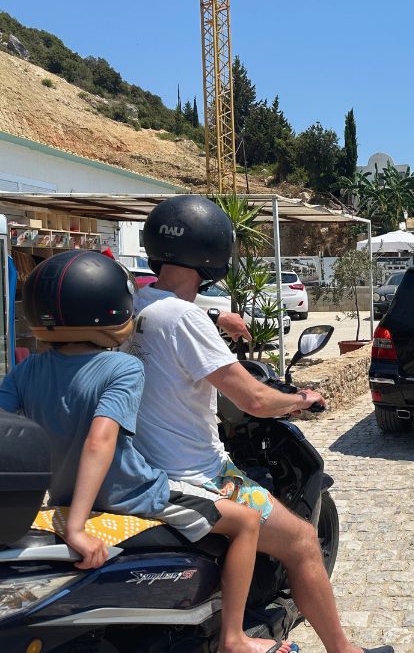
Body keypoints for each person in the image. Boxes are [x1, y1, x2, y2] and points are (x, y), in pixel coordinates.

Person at [126, 195, 392, 653]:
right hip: (198, 476)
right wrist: (299, 399)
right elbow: (251, 398)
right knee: (304, 540)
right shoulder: (186, 318)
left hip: (145, 469)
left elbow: (177, 322)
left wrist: (217, 315)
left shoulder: (138, 306)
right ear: (213, 251)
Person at [0, 251, 286, 653]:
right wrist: (77, 529)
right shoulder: (121, 368)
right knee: (246, 522)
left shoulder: (26, 369)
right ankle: (235, 638)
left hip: (64, 494)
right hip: (135, 494)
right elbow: (100, 441)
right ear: (114, 309)